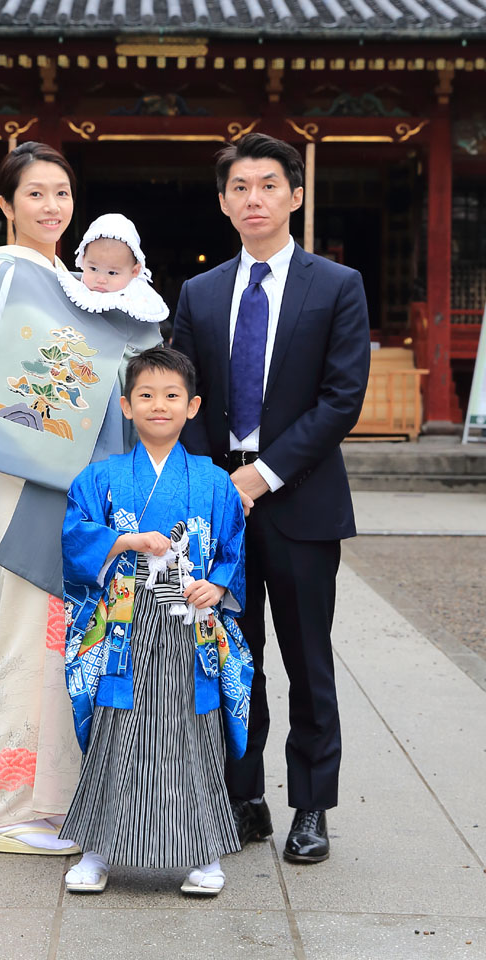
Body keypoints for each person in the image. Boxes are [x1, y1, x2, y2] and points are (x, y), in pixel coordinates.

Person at [0, 143, 164, 855]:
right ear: (6, 205)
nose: (52, 206)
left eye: (62, 193)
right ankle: (9, 808)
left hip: (59, 469)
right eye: (35, 193)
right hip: (35, 471)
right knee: (31, 631)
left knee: (62, 631)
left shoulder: (62, 278)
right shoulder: (11, 273)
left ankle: (51, 801)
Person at [172, 133, 370, 863]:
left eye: (267, 185)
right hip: (217, 507)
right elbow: (183, 396)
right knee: (231, 654)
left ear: (295, 194)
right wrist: (211, 484)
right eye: (239, 187)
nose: (253, 198)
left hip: (302, 501)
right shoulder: (198, 292)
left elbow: (341, 398)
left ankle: (311, 805)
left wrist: (262, 475)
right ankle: (242, 797)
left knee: (307, 657)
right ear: (224, 202)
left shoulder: (336, 286)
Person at [59, 346, 252, 896]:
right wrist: (125, 539)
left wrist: (217, 584)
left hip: (190, 626)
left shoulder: (215, 481)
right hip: (124, 627)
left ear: (193, 407)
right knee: (116, 733)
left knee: (194, 734)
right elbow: (75, 540)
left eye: (171, 396)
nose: (158, 405)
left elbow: (233, 550)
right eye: (146, 395)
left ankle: (204, 853)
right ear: (125, 405)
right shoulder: (101, 478)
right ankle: (98, 850)